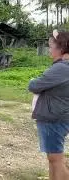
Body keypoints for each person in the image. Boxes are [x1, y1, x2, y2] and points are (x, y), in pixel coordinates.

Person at [28, 30, 69, 180]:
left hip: (54, 118)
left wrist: (33, 81)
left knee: (56, 159)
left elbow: (34, 85)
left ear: (61, 47)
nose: (49, 49)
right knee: (53, 158)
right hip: (57, 115)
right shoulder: (63, 66)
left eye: (51, 45)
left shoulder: (61, 68)